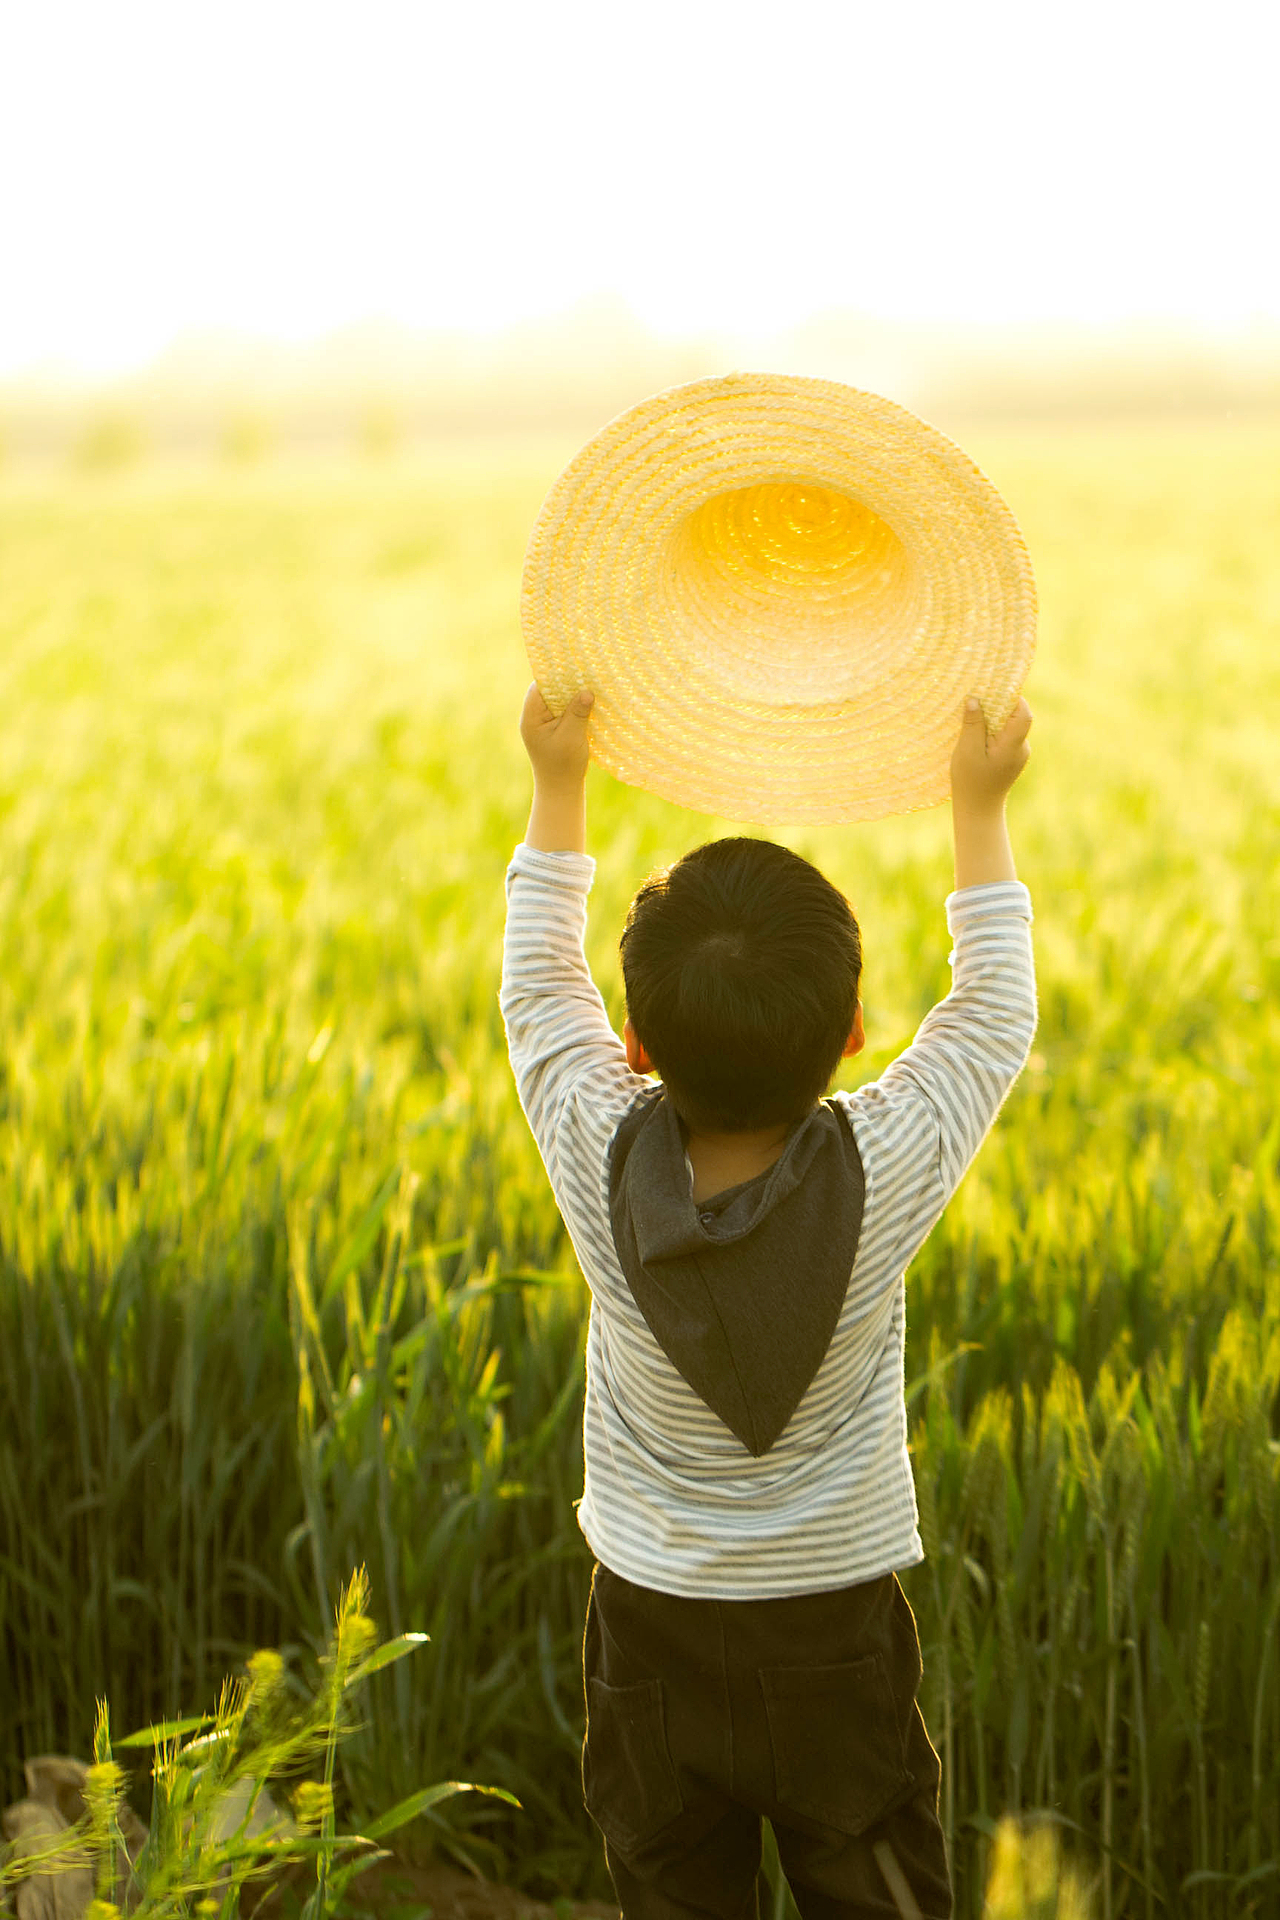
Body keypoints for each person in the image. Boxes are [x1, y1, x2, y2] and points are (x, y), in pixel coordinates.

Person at [501, 682, 1036, 1919]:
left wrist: (557, 784)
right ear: (852, 1032)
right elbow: (993, 1013)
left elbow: (536, 989)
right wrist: (975, 806)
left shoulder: (595, 1146)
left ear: (634, 1044)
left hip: (646, 1626)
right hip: (831, 1635)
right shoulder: (882, 1168)